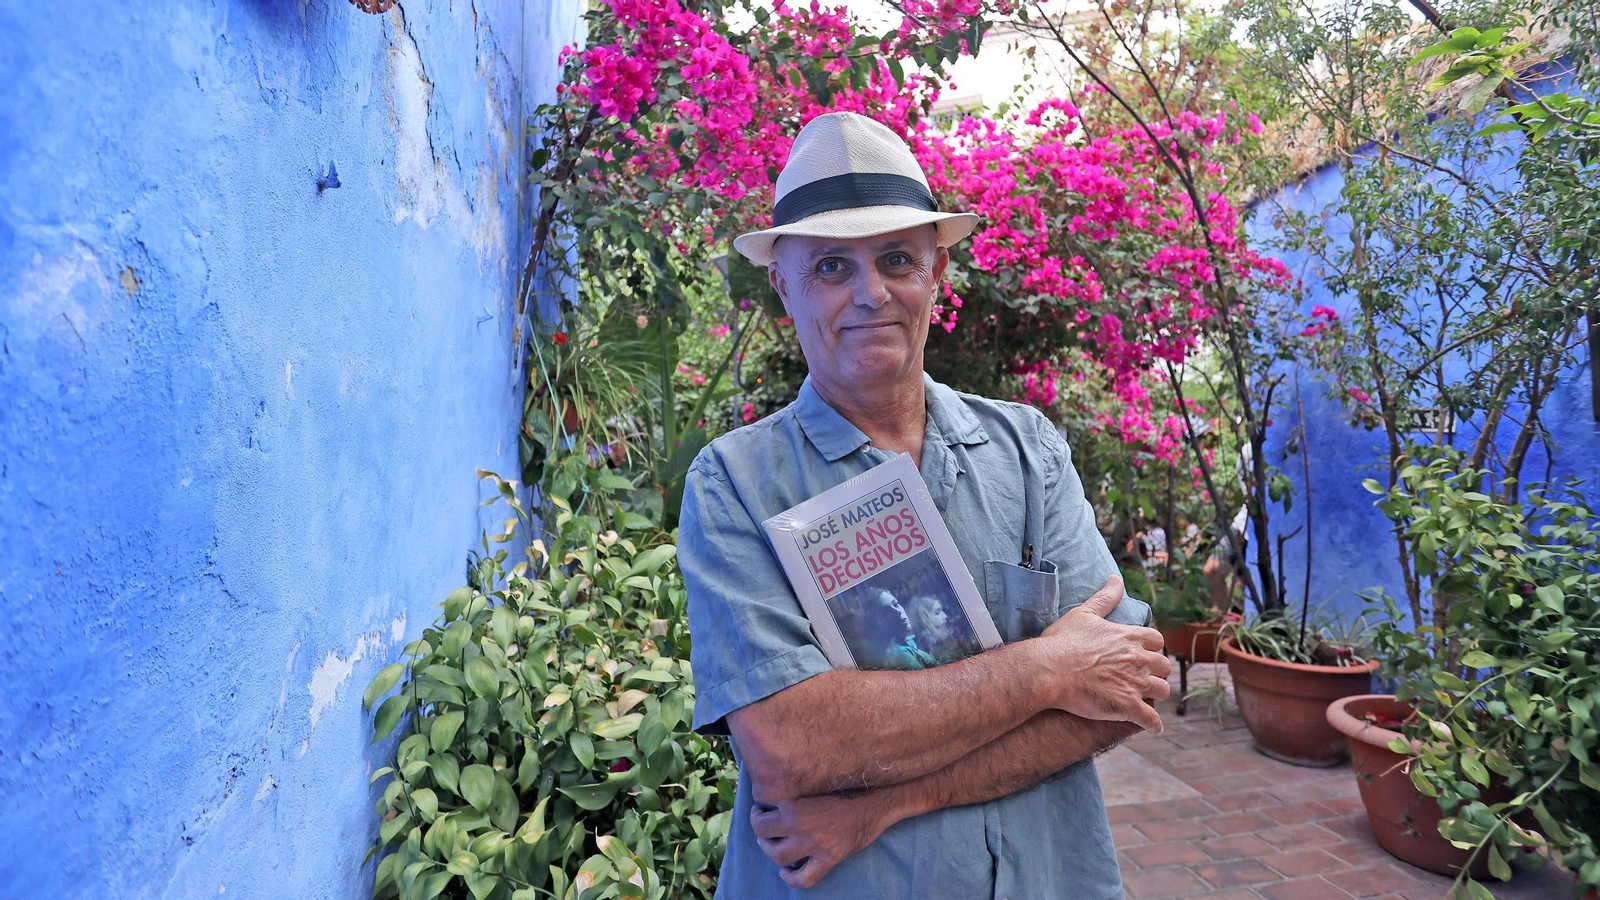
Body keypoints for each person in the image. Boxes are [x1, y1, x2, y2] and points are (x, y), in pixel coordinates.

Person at [679, 112, 1170, 899]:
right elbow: (791, 744)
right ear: (783, 285)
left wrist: (893, 797)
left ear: (936, 270)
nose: (870, 292)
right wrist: (1048, 668)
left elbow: (1128, 687)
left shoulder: (1027, 450)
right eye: (832, 266)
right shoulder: (734, 482)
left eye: (897, 259)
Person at [904, 593, 979, 664]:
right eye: (937, 612)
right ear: (923, 620)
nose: (945, 616)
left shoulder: (956, 640)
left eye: (942, 611)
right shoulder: (924, 656)